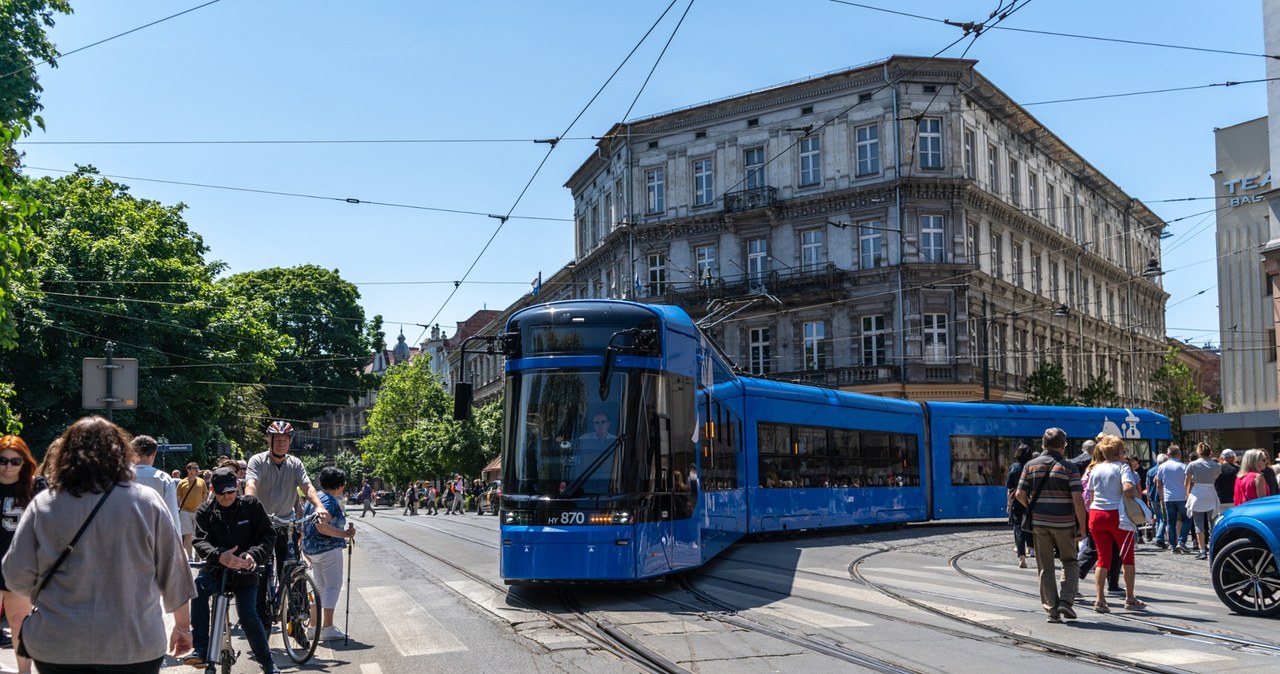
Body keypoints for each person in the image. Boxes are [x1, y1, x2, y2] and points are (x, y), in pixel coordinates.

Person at [2, 416, 195, 673]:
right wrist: (182, 627)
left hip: (59, 645)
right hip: (134, 644)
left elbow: (15, 576)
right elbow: (175, 575)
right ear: (121, 453)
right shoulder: (147, 502)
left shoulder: (44, 504)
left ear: (66, 455)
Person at [185, 467, 277, 674]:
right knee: (198, 588)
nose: (227, 497)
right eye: (221, 493)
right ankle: (200, 648)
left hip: (246, 572)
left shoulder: (251, 505)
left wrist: (253, 554)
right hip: (216, 571)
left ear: (238, 486)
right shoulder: (204, 511)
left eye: (231, 491)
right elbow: (199, 541)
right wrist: (220, 556)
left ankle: (268, 662)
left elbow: (267, 535)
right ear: (212, 490)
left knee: (248, 616)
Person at [244, 420, 328, 629]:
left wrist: (318, 506)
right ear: (269, 441)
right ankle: (260, 617)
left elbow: (307, 486)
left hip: (285, 522)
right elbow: (251, 484)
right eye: (277, 439)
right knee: (261, 572)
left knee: (293, 566)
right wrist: (249, 503)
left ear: (290, 442)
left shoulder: (295, 464)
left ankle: (297, 614)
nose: (281, 443)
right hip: (262, 524)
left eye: (284, 440)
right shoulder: (257, 461)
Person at [1015, 427, 1087, 624]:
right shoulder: (1069, 467)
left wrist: (1033, 507)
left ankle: (1051, 610)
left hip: (1039, 524)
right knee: (1070, 561)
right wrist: (1083, 526)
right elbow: (1078, 500)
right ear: (1063, 445)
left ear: (1043, 444)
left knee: (1045, 567)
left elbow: (1019, 494)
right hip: (1064, 523)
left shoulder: (1030, 465)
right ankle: (1066, 600)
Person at [1085, 435, 1146, 613]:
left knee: (1103, 559)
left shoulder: (1095, 469)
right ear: (1119, 452)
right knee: (1127, 557)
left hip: (1096, 515)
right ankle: (1130, 598)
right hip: (1117, 516)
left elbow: (1091, 494)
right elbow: (1127, 488)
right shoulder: (1122, 467)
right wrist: (1136, 496)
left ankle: (1100, 599)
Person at [0, 436, 44, 674]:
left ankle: (24, 671)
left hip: (21, 565)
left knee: (19, 622)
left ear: (24, 462)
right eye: (2, 460)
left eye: (14, 461)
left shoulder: (36, 486)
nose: (8, 466)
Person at [302, 466, 356, 641]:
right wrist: (345, 534)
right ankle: (327, 627)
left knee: (319, 589)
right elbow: (322, 527)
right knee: (332, 587)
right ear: (339, 485)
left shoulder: (314, 499)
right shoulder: (330, 501)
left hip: (312, 550)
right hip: (328, 548)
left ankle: (312, 627)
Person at [131, 435, 181, 534]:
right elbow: (172, 516)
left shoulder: (118, 476)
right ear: (153, 454)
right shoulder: (163, 479)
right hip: (155, 538)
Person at [1184, 442, 1221, 560]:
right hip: (1210, 491)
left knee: (1198, 524)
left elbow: (1187, 482)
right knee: (1213, 522)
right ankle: (1213, 547)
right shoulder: (1216, 465)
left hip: (1197, 493)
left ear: (1199, 452)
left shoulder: (1192, 464)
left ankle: (1202, 550)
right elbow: (1216, 477)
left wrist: (1187, 494)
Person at [1152, 445, 1191, 554]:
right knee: (1186, 520)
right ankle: (1182, 541)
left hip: (1168, 498)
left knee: (1170, 522)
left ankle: (1172, 545)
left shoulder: (1162, 467)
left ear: (1168, 455)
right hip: (1182, 497)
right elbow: (1187, 482)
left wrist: (1161, 497)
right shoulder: (1183, 466)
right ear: (1179, 454)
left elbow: (1159, 484)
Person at [1006, 443, 1033, 568]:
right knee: (1030, 526)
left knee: (1019, 529)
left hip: (1017, 501)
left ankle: (1022, 557)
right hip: (1030, 500)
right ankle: (1031, 548)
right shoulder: (1032, 466)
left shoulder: (1014, 467)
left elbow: (1010, 488)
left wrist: (1009, 504)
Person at [177, 462, 208, 561]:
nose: (197, 470)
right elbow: (178, 499)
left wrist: (204, 509)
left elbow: (205, 496)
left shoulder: (201, 482)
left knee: (199, 534)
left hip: (198, 512)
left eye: (198, 468)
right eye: (195, 468)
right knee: (188, 535)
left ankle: (199, 555)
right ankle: (190, 557)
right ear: (189, 470)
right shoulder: (182, 483)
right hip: (185, 511)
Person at [1215, 449, 1239, 513]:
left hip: (1219, 499)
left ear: (1222, 457)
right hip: (1233, 499)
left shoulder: (1216, 468)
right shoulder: (1237, 469)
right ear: (1233, 457)